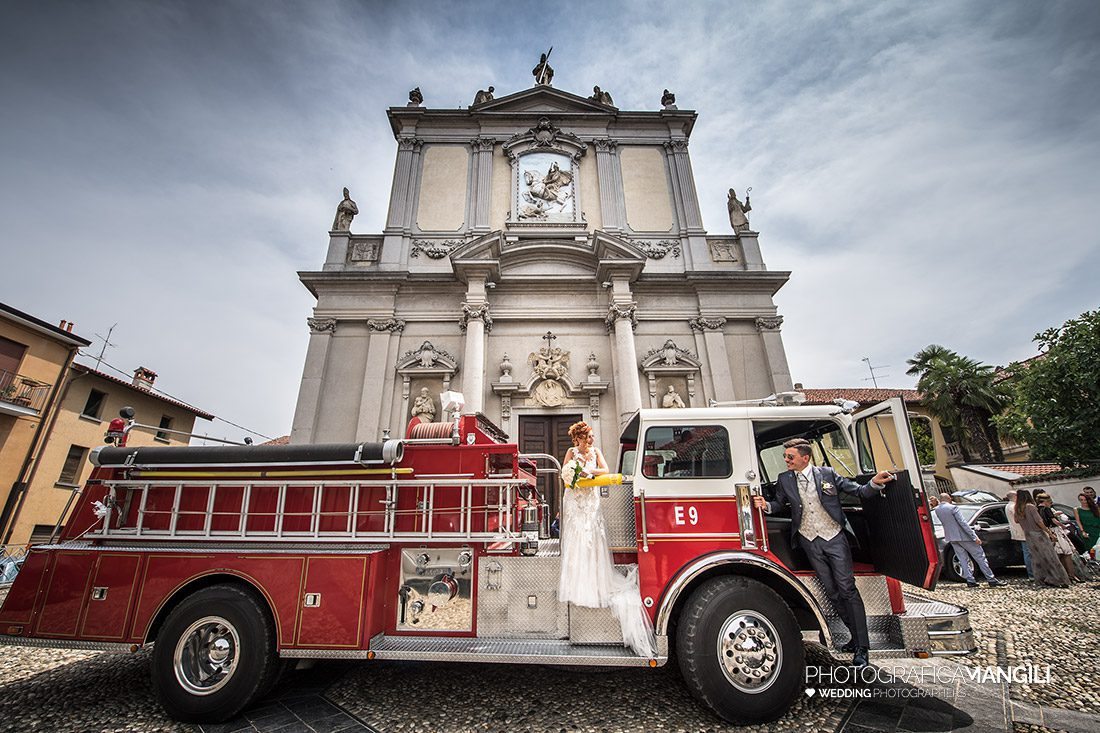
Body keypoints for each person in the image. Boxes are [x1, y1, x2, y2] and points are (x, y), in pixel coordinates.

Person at [752, 438, 894, 667]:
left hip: (834, 538)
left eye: (790, 456)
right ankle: (852, 635)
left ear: (804, 458)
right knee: (831, 591)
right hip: (809, 540)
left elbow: (857, 491)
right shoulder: (784, 479)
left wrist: (875, 484)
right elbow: (780, 504)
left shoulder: (827, 474)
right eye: (786, 457)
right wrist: (765, 505)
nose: (786, 460)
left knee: (847, 588)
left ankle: (862, 646)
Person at [559, 420, 655, 657]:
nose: (592, 439)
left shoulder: (596, 452)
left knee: (591, 538)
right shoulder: (571, 452)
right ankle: (576, 580)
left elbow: (605, 469)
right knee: (577, 537)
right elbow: (564, 474)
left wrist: (589, 471)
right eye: (589, 436)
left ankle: (593, 580)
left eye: (592, 436)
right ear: (578, 438)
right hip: (575, 499)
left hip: (590, 500)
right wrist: (574, 474)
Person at [935, 493, 1008, 588]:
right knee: (980, 557)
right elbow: (963, 523)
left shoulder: (937, 509)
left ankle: (970, 580)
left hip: (951, 537)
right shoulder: (953, 508)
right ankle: (991, 579)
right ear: (948, 498)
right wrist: (974, 537)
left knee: (962, 559)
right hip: (964, 536)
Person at [1014, 491, 1070, 587]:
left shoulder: (1018, 509)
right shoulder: (1030, 507)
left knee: (1036, 558)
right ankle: (1056, 578)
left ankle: (1041, 578)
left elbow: (1016, 521)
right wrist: (1049, 533)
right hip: (1037, 534)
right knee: (1049, 556)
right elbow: (1039, 521)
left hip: (1028, 535)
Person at [1037, 493, 1083, 582]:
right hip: (1055, 531)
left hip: (1047, 531)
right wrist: (1063, 525)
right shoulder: (1047, 509)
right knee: (1067, 552)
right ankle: (1071, 575)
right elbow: (1053, 520)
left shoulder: (1037, 509)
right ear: (1046, 501)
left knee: (1058, 554)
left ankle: (1062, 575)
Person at [1005, 490, 1034, 580]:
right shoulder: (1013, 506)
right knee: (1028, 553)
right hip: (1022, 531)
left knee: (1027, 552)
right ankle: (1032, 574)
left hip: (1018, 532)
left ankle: (1031, 573)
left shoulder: (1008, 506)